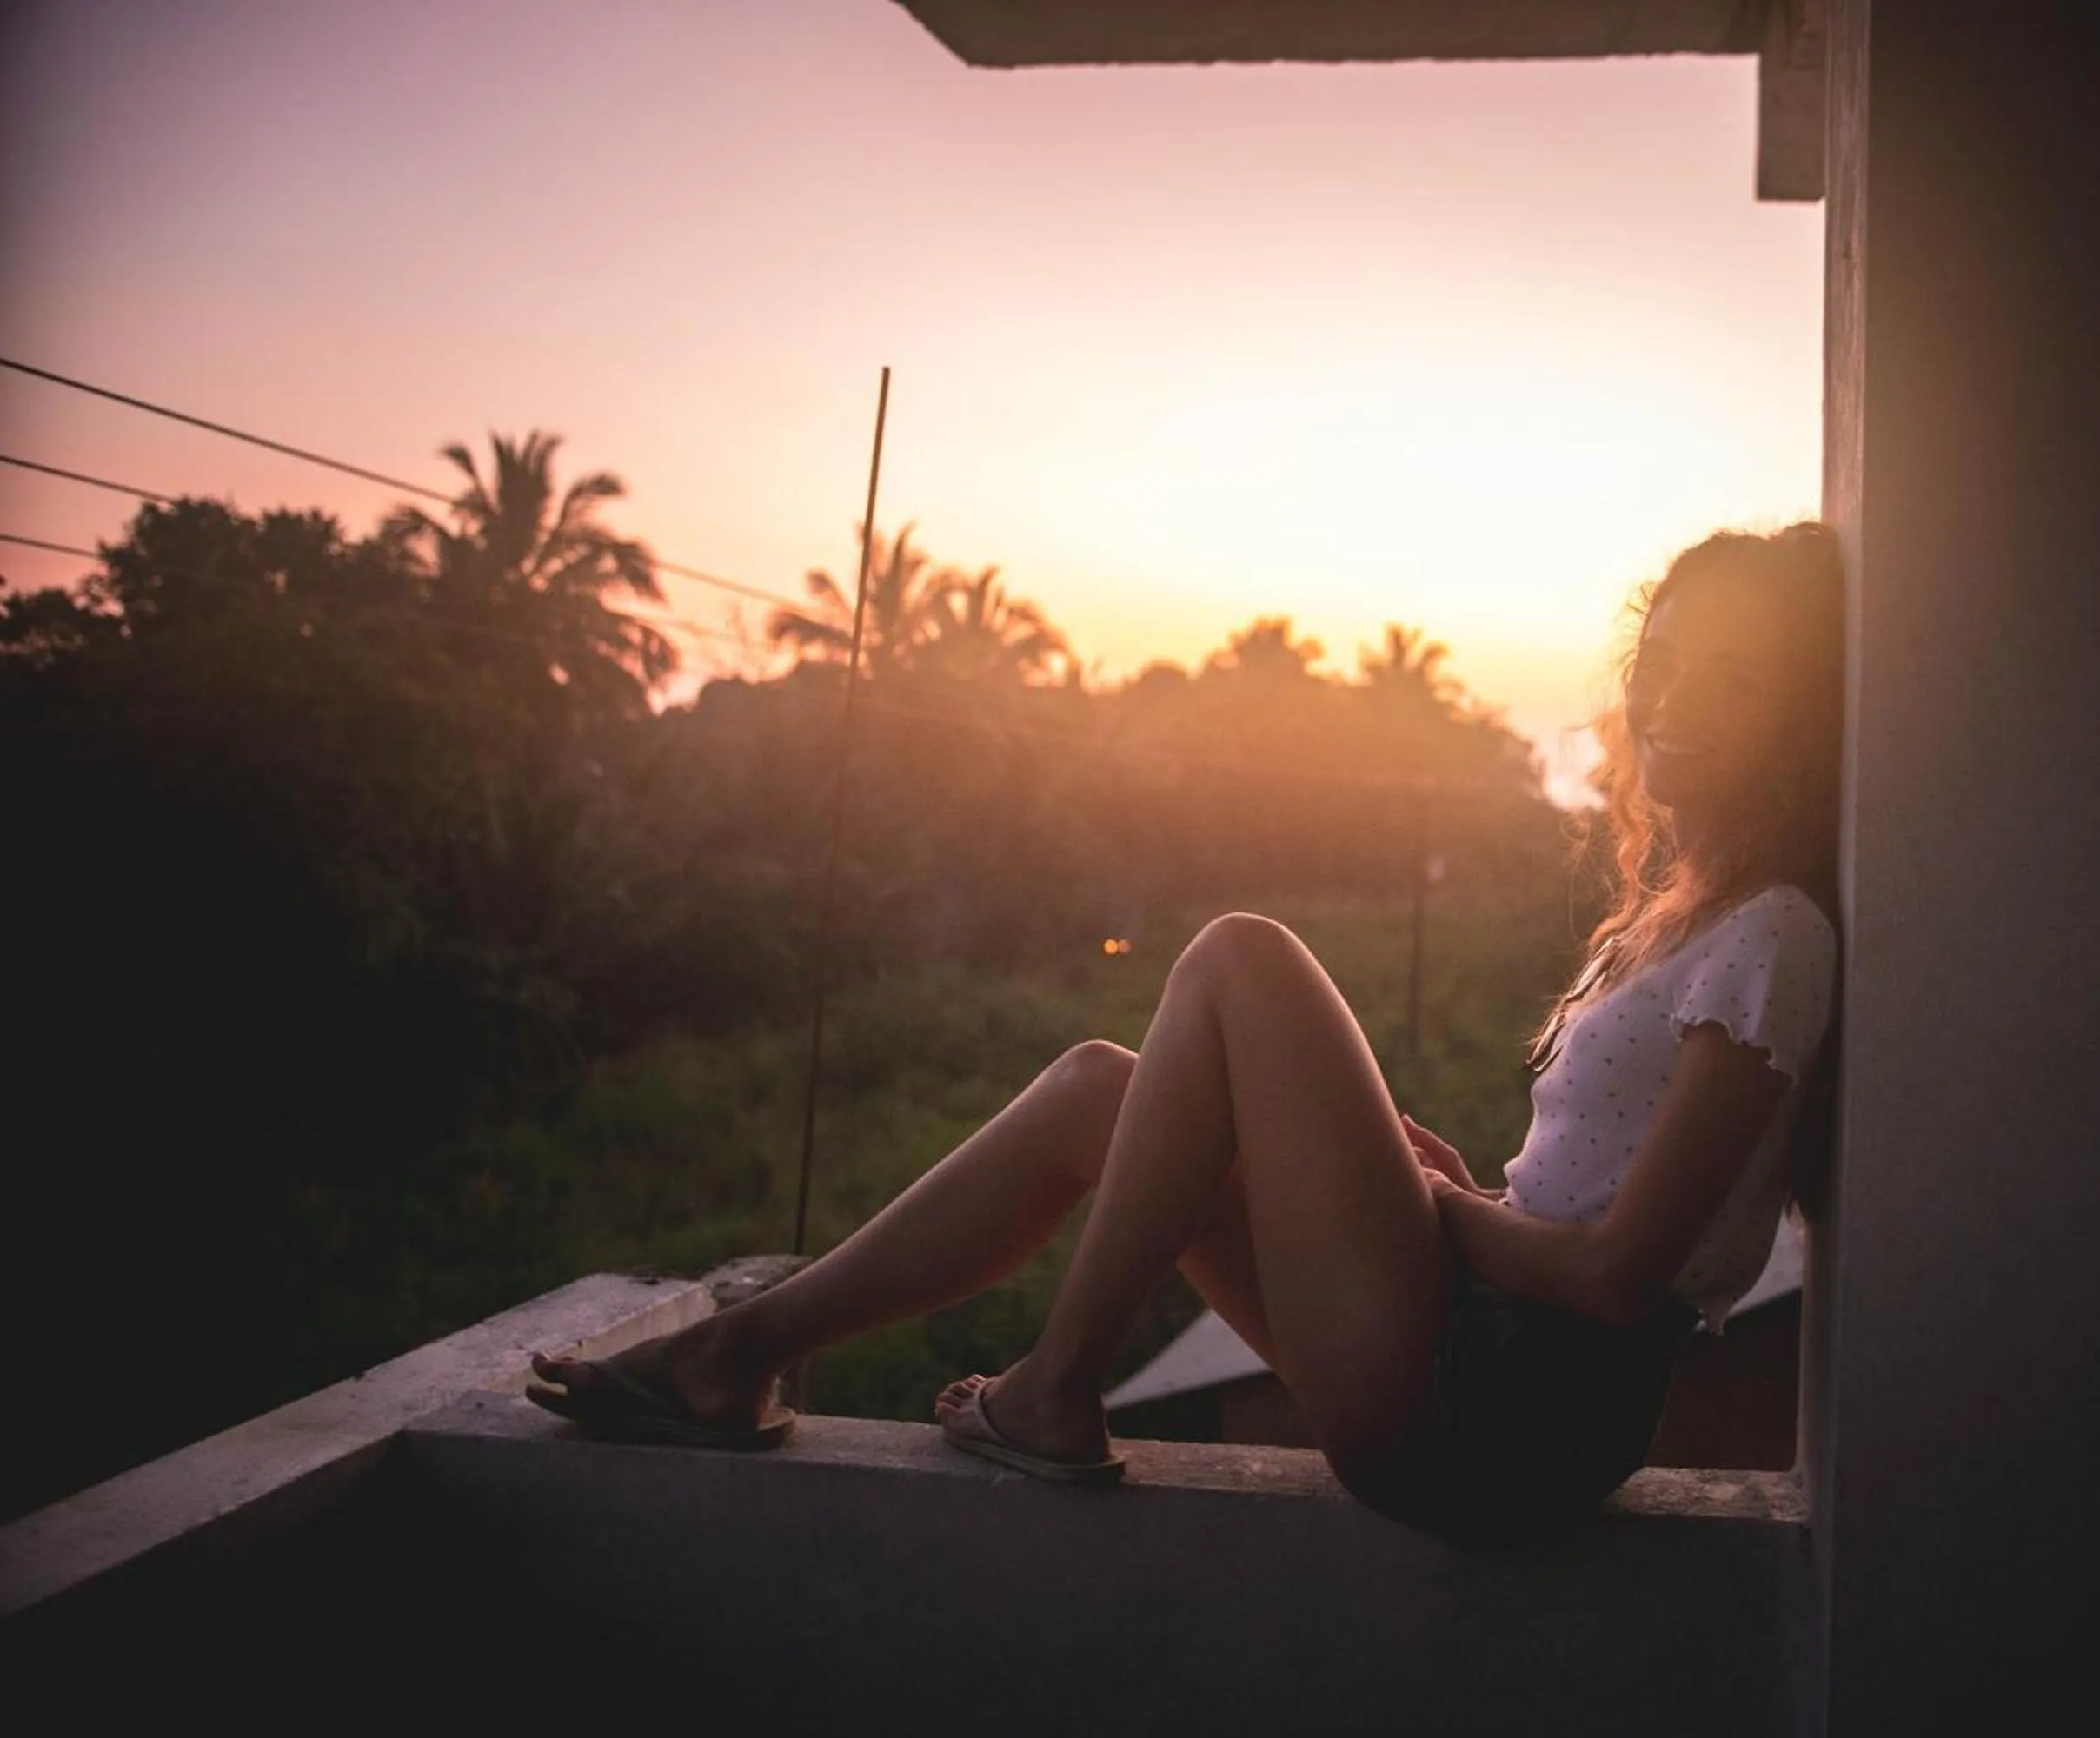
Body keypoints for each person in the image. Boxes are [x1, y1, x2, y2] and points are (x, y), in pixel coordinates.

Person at [528, 522, 1844, 1547]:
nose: (1677, 698)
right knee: (1103, 1091)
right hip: (1475, 1353)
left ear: (1797, 720)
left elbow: (1619, 1280)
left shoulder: (1776, 932)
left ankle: (1055, 1389)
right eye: (1663, 658)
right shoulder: (1692, 917)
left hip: (1502, 1411)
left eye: (1736, 680)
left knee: (1242, 956)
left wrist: (1443, 1214)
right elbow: (1593, 1206)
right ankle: (739, 1354)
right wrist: (1466, 1194)